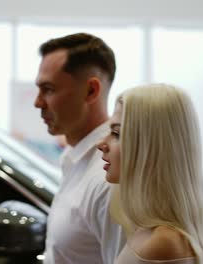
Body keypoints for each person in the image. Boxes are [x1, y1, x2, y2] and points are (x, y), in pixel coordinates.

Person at [97, 84, 203, 264]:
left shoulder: (163, 244)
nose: (101, 143)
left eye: (116, 133)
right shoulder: (151, 232)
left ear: (151, 147)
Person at [34, 33, 124, 263]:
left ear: (91, 91)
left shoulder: (108, 176)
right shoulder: (74, 158)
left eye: (49, 89)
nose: (38, 102)